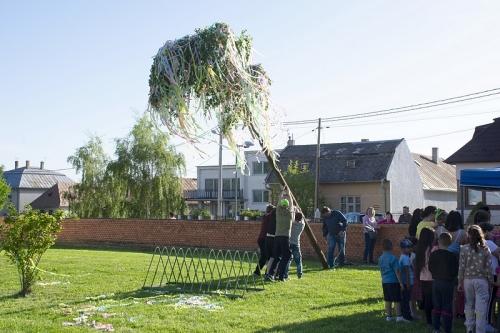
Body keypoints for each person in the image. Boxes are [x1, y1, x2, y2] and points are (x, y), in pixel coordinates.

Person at [458, 225, 493, 333]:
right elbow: (489, 268)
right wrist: (490, 283)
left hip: (467, 281)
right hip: (481, 281)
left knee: (469, 304)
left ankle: (469, 327)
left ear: (469, 235)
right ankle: (480, 330)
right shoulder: (485, 250)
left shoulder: (464, 249)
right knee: (481, 309)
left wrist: (460, 282)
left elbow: (461, 267)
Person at [429, 232, 458, 333]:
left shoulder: (433, 254)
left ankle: (436, 328)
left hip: (436, 282)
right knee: (447, 306)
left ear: (438, 242)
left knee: (436, 305)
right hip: (447, 283)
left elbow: (430, 268)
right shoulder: (452, 256)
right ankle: (447, 329)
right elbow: (455, 272)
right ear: (450, 242)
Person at [378, 238, 407, 322]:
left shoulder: (380, 258)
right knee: (397, 300)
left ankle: (389, 316)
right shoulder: (394, 258)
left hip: (385, 281)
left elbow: (380, 270)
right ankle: (399, 316)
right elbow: (397, 271)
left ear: (381, 248)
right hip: (393, 281)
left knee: (387, 300)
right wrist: (401, 283)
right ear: (392, 247)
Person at [479, 222, 500, 333]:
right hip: (492, 275)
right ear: (486, 232)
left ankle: (480, 323)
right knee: (489, 301)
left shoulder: (477, 243)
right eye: (492, 232)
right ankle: (487, 324)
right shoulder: (489, 243)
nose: (493, 234)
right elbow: (498, 253)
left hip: (480, 274)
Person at [414, 227, 436, 328]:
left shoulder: (419, 249)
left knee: (427, 299)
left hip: (423, 277)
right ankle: (437, 321)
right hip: (433, 277)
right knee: (435, 300)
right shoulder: (433, 249)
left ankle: (429, 322)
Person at [273, 187, 294, 282]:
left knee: (277, 256)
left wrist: (282, 191)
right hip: (285, 237)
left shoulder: (277, 211)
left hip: (276, 237)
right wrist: (288, 193)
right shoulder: (290, 213)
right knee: (286, 256)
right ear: (288, 206)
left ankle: (271, 274)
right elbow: (292, 202)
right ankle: (281, 276)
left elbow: (278, 200)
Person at [253, 205, 274, 277]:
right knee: (265, 256)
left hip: (261, 239)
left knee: (267, 256)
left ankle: (264, 272)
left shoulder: (265, 216)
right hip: (264, 239)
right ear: (271, 211)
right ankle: (258, 272)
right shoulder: (269, 218)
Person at [285, 211, 305, 279]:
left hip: (289, 243)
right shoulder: (302, 225)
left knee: (288, 260)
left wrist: (294, 211)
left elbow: (291, 218)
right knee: (298, 261)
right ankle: (299, 275)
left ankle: (285, 274)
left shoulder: (291, 224)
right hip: (296, 244)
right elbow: (303, 219)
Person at [399, 238, 414, 322]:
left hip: (406, 281)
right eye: (408, 247)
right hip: (407, 282)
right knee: (406, 299)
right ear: (403, 248)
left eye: (411, 247)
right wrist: (408, 284)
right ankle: (406, 316)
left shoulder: (404, 257)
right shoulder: (405, 258)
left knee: (405, 299)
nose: (410, 249)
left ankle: (405, 314)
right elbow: (406, 272)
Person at [264, 207, 277, 281]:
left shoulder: (269, 216)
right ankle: (272, 275)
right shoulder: (277, 216)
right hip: (273, 237)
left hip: (267, 237)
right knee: (275, 258)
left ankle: (267, 273)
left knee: (271, 258)